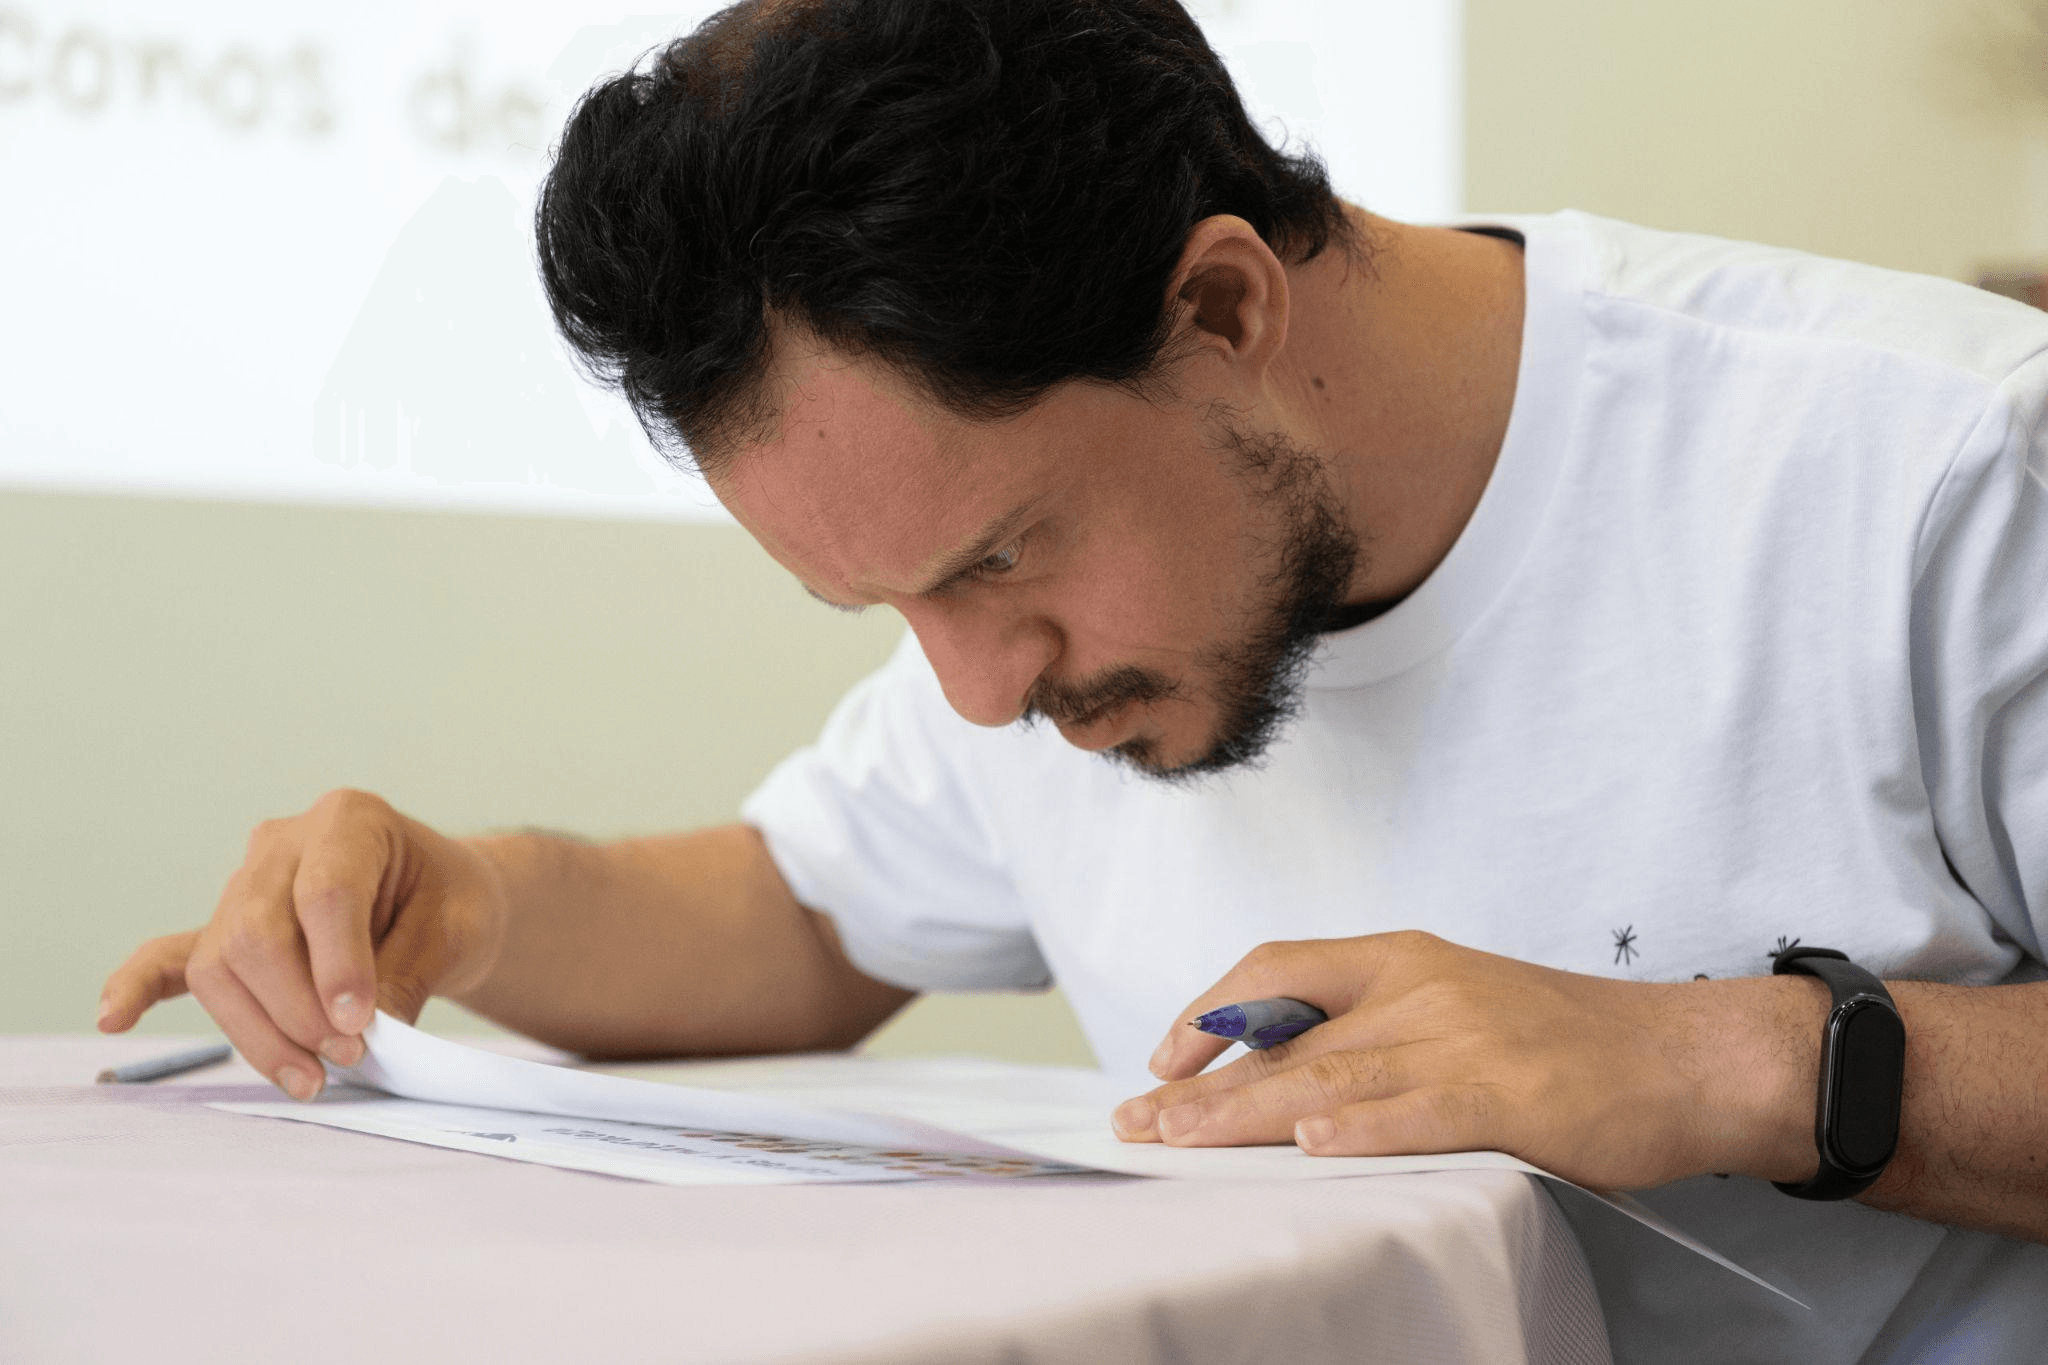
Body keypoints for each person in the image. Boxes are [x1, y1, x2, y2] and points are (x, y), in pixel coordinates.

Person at [100, 1, 2048, 1359]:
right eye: (886, 608)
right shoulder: (1063, 631)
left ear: (1221, 307)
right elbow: (795, 914)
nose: (968, 688)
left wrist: (1722, 1058)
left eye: (993, 561)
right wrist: (467, 897)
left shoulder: (1932, 475)